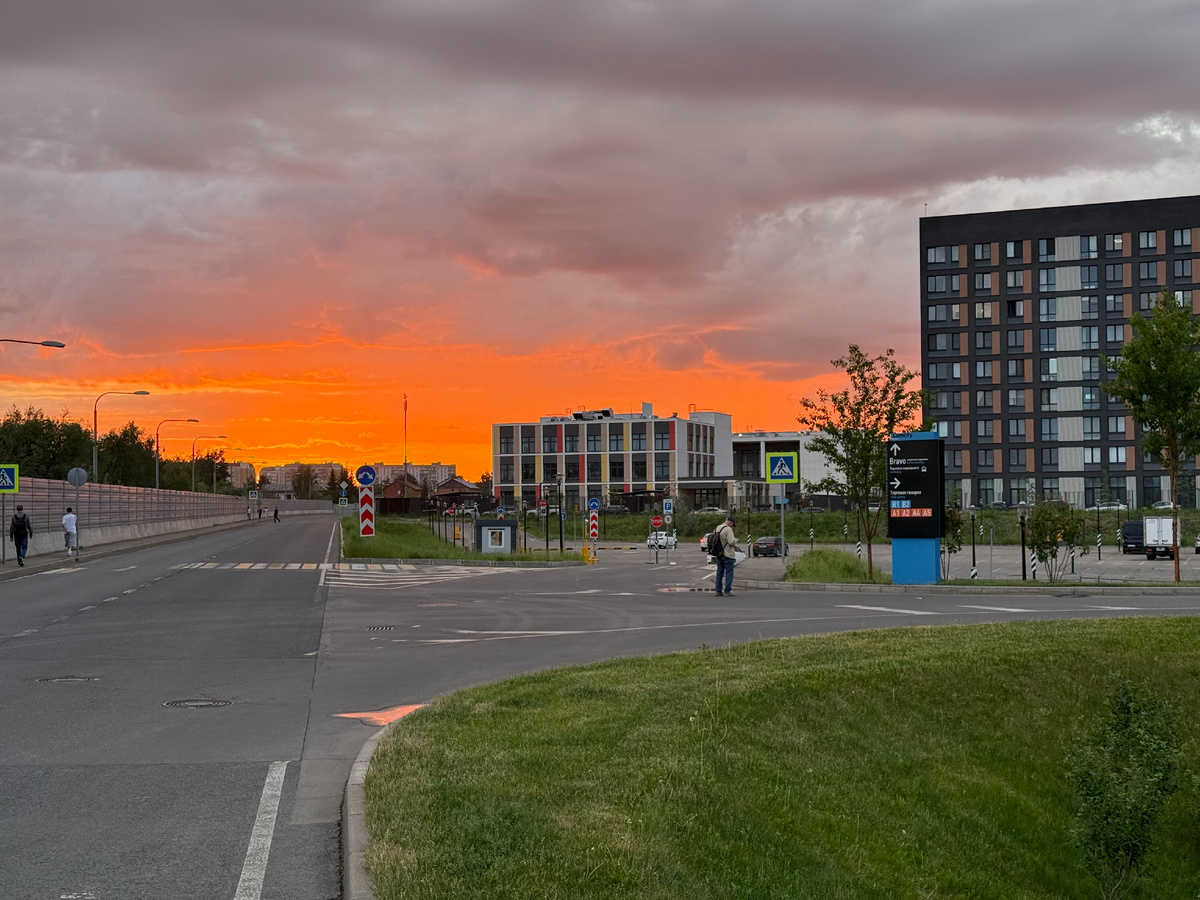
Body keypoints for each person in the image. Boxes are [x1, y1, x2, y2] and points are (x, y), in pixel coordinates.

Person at [712, 515, 741, 596]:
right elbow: (731, 542)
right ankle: (727, 591)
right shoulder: (728, 529)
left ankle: (718, 590)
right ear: (730, 523)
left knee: (719, 572)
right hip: (727, 553)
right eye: (732, 525)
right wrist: (736, 540)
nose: (732, 526)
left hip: (718, 553)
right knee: (729, 572)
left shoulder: (717, 528)